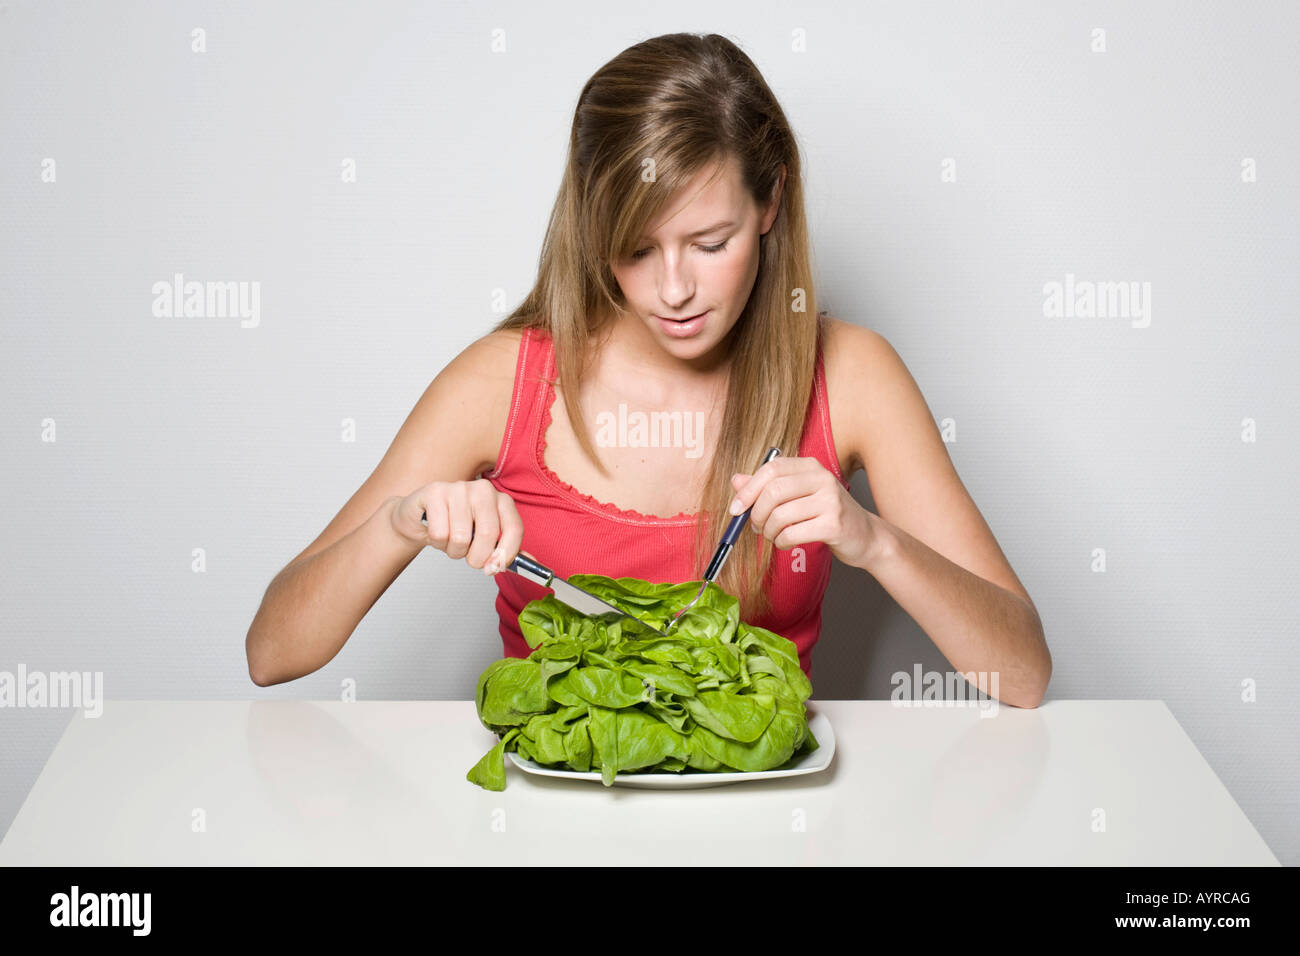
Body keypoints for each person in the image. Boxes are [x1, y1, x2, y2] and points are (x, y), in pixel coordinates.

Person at [245, 33, 1050, 706]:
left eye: (710, 243)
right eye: (637, 248)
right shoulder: (501, 383)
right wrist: (401, 523)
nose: (674, 291)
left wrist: (873, 541)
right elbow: (272, 650)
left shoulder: (853, 374)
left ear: (770, 204)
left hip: (770, 824)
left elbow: (1023, 674)